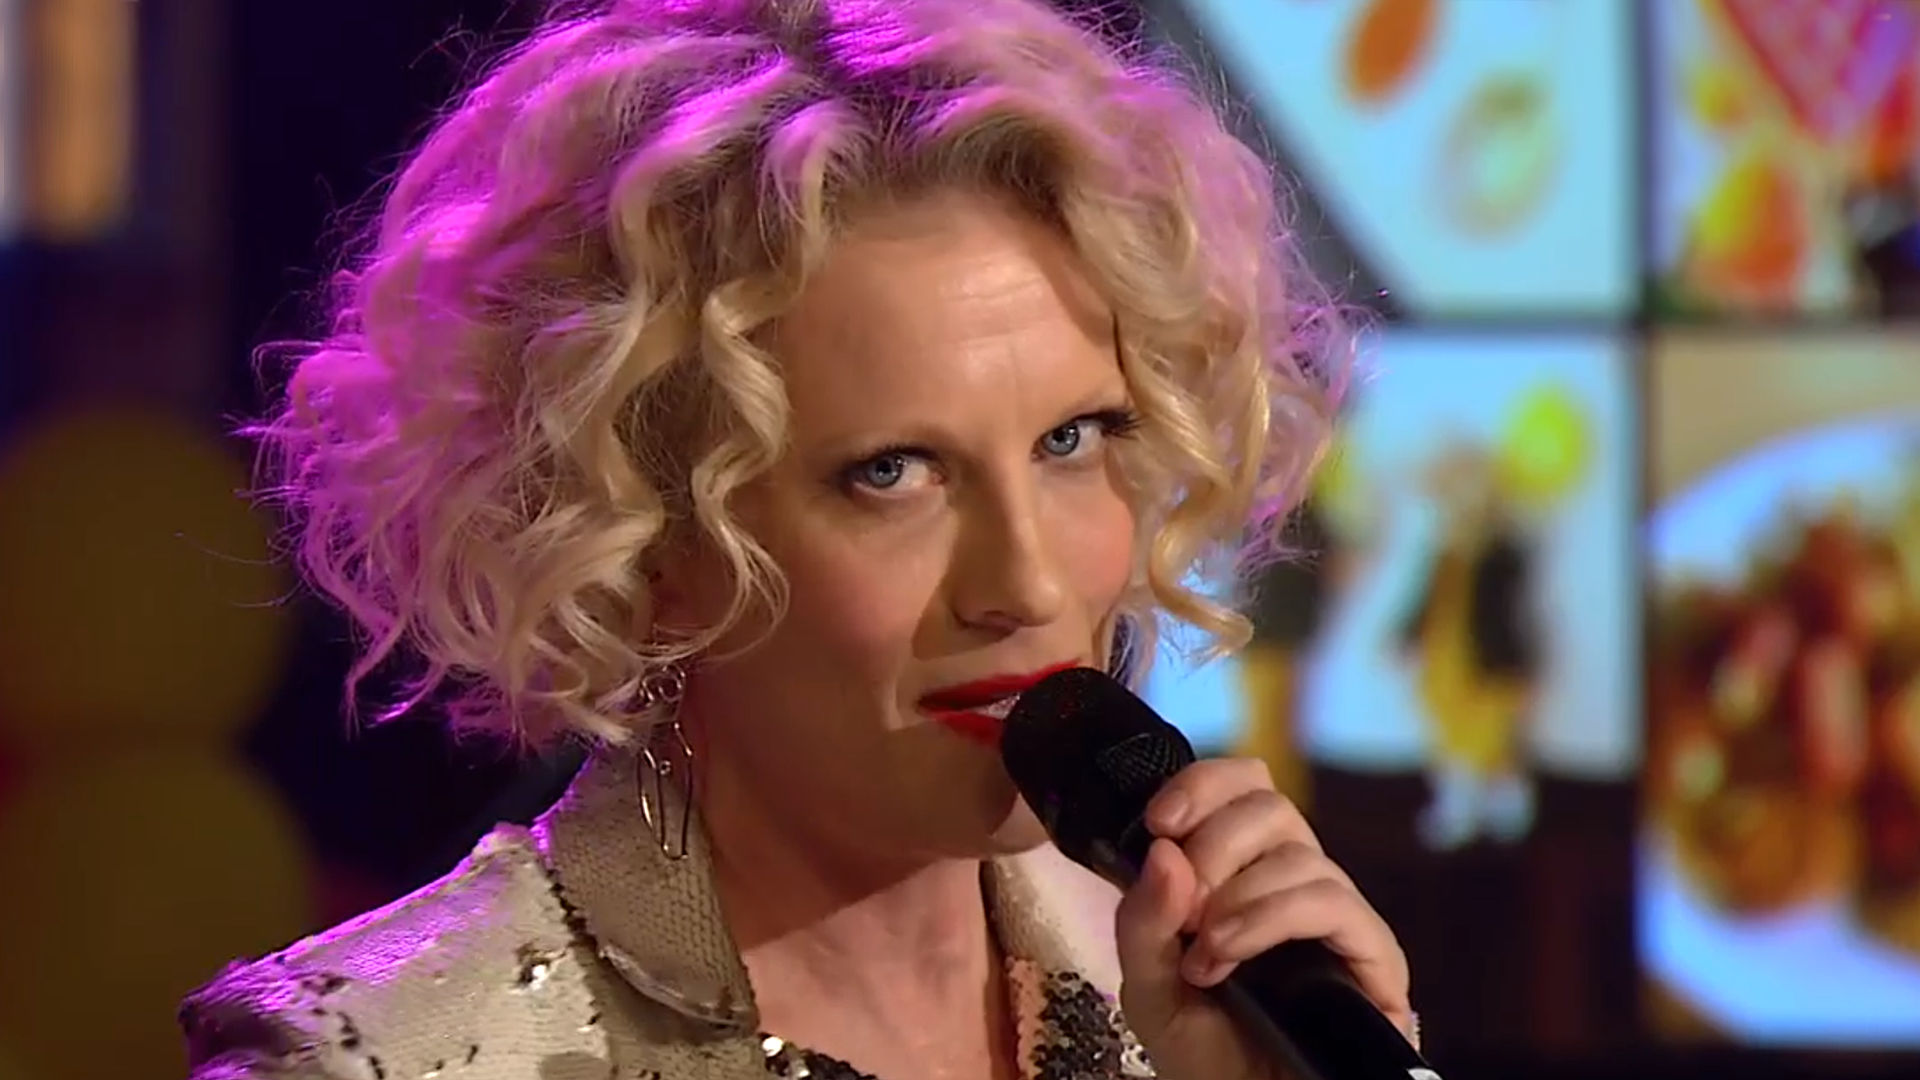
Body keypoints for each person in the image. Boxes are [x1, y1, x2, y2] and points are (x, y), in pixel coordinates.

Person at [180, 1, 1411, 1078]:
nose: (1028, 583)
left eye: (1071, 440)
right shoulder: (385, 1057)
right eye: (893, 472)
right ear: (648, 547)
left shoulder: (1200, 999)